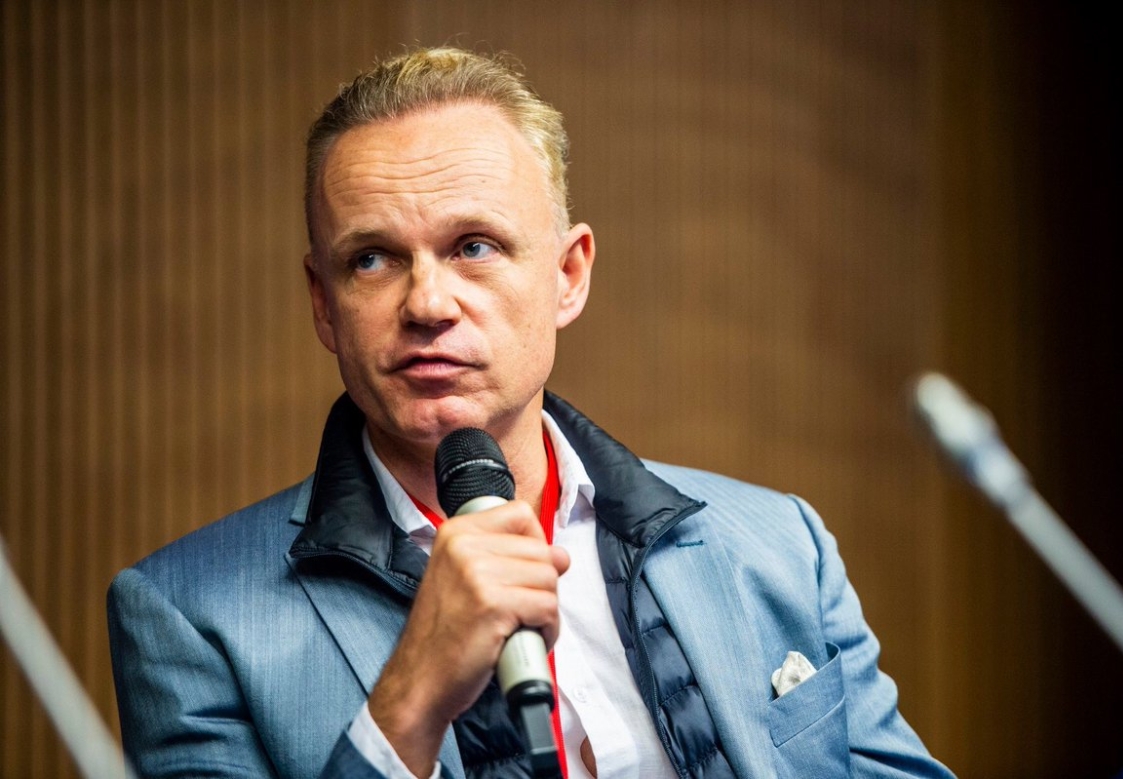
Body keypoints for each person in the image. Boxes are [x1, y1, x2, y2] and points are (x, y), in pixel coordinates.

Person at [107, 47, 954, 779]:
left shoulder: (780, 545)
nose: (428, 303)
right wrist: (409, 700)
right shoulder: (188, 617)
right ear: (323, 303)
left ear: (567, 275)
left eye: (474, 246)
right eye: (372, 259)